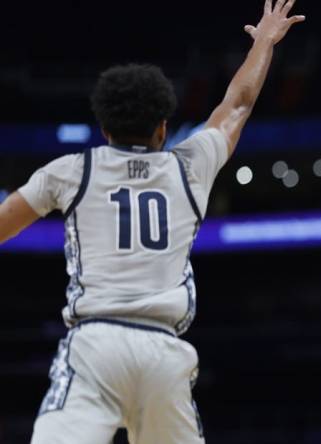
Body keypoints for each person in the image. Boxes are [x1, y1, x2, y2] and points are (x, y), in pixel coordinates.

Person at [0, 1, 304, 442]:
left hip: (95, 346)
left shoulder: (72, 170)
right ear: (163, 128)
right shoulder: (188, 167)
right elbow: (236, 105)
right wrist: (263, 43)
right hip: (164, 351)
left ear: (104, 129)